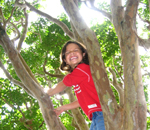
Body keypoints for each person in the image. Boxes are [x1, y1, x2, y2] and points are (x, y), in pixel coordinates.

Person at [47, 41, 105, 130]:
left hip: (102, 114)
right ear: (65, 60)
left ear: (84, 54)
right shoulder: (80, 77)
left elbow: (65, 83)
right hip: (95, 117)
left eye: (75, 50)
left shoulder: (83, 68)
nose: (72, 52)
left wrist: (49, 93)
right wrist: (63, 107)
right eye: (68, 52)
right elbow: (81, 101)